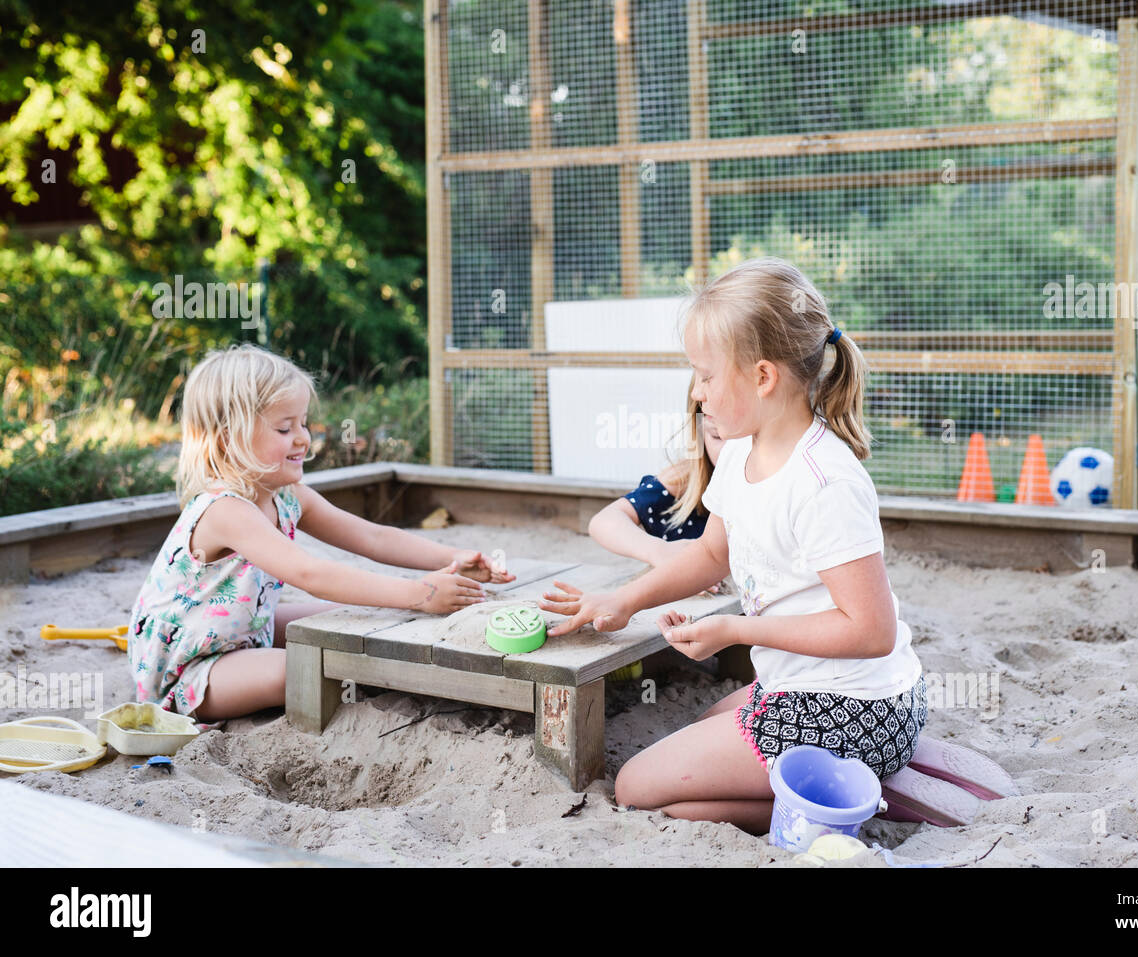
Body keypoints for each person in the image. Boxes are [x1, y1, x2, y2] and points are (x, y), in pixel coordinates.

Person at [540, 257, 925, 834]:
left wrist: (737, 630)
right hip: (795, 687)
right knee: (702, 728)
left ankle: (837, 804)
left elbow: (871, 632)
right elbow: (710, 555)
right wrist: (623, 602)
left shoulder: (825, 481)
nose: (697, 394)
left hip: (860, 710)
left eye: (706, 375)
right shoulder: (743, 450)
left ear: (763, 377)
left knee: (634, 788)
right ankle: (818, 794)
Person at [128, 343, 513, 723]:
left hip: (242, 627)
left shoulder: (288, 496)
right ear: (229, 437)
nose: (303, 438)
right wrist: (420, 594)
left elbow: (373, 537)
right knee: (304, 667)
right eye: (284, 427)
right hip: (191, 667)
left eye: (302, 423)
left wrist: (451, 558)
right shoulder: (226, 509)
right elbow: (311, 575)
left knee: (361, 616)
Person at [587, 385, 726, 591]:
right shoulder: (685, 479)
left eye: (747, 440)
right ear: (699, 431)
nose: (731, 453)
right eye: (717, 437)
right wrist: (659, 551)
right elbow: (604, 521)